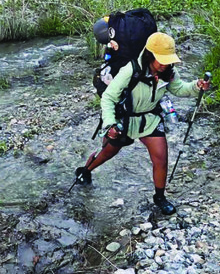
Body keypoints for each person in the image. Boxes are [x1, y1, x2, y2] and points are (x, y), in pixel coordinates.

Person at [75, 32, 210, 215]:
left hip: (150, 119)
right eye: (161, 59)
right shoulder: (131, 70)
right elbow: (108, 98)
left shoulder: (168, 71)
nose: (164, 64)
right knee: (108, 152)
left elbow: (179, 89)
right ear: (150, 55)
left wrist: (196, 86)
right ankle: (85, 170)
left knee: (161, 158)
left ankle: (160, 197)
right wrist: (109, 125)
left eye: (168, 60)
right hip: (125, 120)